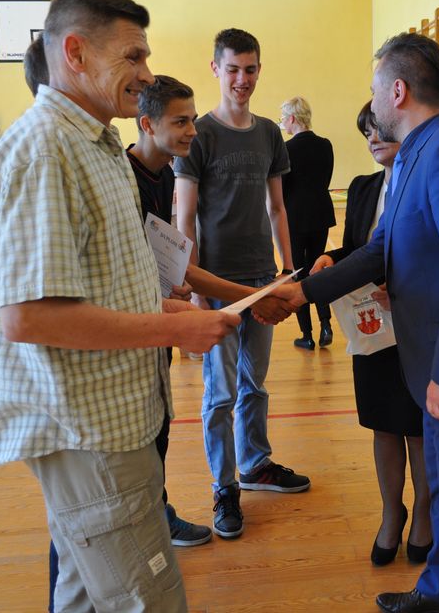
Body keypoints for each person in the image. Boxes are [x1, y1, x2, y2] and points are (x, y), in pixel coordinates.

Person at [0, 0, 240, 612]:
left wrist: (175, 310)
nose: (146, 74)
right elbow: (28, 316)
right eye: (133, 56)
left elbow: (110, 284)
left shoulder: (94, 144)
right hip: (89, 431)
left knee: (84, 594)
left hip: (116, 420)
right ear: (75, 53)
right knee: (148, 599)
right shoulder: (45, 147)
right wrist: (175, 330)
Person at [286, 32, 439, 613]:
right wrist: (302, 293)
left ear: (397, 91)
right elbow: (382, 249)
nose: (372, 104)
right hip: (435, 373)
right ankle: (438, 593)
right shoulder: (417, 153)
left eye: (374, 91)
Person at [174, 28, 309, 541]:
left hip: (262, 279)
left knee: (255, 383)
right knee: (221, 392)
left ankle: (254, 464)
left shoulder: (270, 133)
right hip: (217, 283)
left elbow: (278, 207)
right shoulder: (200, 135)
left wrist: (288, 270)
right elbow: (185, 217)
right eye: (233, 69)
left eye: (250, 69)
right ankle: (224, 486)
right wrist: (194, 284)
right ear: (216, 69)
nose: (242, 79)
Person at [309, 100, 431, 566]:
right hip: (371, 327)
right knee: (383, 424)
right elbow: (361, 250)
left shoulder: (427, 181)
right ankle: (391, 512)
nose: (373, 139)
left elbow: (438, 254)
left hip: (416, 325)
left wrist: (405, 291)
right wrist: (332, 260)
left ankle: (424, 513)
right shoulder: (363, 187)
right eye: (366, 132)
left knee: (417, 429)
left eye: (379, 128)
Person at [280, 95, 336, 350]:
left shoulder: (286, 149)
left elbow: (282, 189)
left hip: (295, 218)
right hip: (321, 214)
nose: (283, 123)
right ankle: (326, 324)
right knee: (318, 269)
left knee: (298, 274)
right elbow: (325, 179)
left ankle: (307, 334)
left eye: (283, 118)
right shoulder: (325, 145)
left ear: (292, 118)